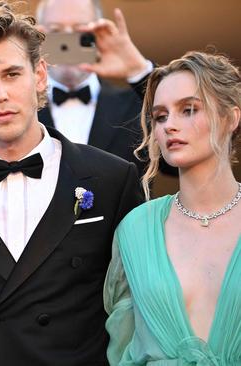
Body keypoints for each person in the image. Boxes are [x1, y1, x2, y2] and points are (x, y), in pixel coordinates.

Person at [0, 2, 142, 364]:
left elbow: (140, 304)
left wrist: (139, 72)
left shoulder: (113, 178)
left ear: (40, 75)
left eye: (12, 74)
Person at [105, 52, 241, 365]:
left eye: (188, 110)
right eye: (161, 116)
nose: (170, 126)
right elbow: (121, 346)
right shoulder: (135, 230)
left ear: (231, 118)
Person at [0, 0, 156, 178]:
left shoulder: (136, 102)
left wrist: (140, 71)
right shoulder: (5, 100)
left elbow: (175, 162)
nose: (68, 40)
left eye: (80, 29)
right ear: (39, 35)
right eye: (56, 30)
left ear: (99, 34)